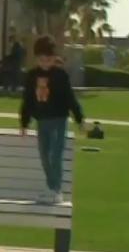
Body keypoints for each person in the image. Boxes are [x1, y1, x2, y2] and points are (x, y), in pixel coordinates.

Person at [19, 36, 85, 205]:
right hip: (42, 121)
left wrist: (79, 118)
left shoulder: (60, 75)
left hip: (59, 120)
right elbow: (27, 100)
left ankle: (56, 190)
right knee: (44, 155)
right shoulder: (32, 76)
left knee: (55, 155)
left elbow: (70, 98)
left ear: (54, 58)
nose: (45, 63)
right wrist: (24, 122)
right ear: (36, 58)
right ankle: (50, 187)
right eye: (41, 60)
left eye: (48, 59)